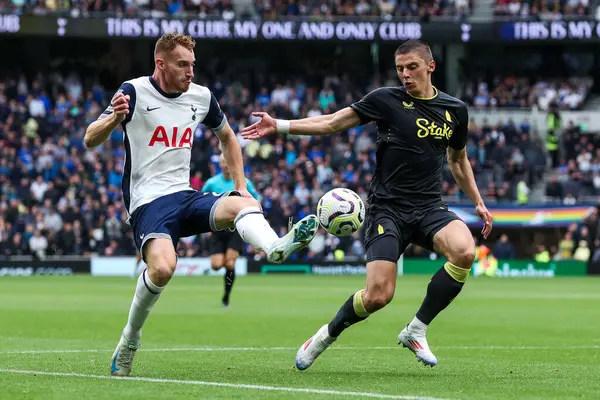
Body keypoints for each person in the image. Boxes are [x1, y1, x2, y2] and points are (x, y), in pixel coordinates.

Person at [242, 40, 493, 369]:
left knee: (464, 251)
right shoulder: (385, 100)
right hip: (387, 210)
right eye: (400, 68)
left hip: (430, 207)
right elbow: (333, 122)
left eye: (412, 67)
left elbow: (458, 160)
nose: (405, 74)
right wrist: (282, 125)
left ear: (431, 67)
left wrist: (478, 202)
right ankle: (325, 335)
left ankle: (416, 329)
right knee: (378, 296)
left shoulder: (455, 110)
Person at [84, 32, 319, 377]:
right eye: (183, 65)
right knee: (163, 269)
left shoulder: (202, 96)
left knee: (240, 206)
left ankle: (275, 246)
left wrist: (241, 187)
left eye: (193, 64)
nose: (191, 71)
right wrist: (112, 119)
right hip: (148, 202)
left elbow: (228, 137)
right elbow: (90, 138)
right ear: (160, 64)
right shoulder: (133, 92)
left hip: (185, 194)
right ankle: (130, 339)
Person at [203, 153, 259, 307]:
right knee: (216, 265)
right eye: (222, 162)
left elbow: (255, 199)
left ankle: (226, 297)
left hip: (235, 228)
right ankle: (223, 269)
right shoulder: (212, 183)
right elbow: (201, 200)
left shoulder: (243, 183)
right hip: (217, 228)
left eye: (227, 161)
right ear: (220, 165)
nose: (225, 164)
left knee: (230, 263)